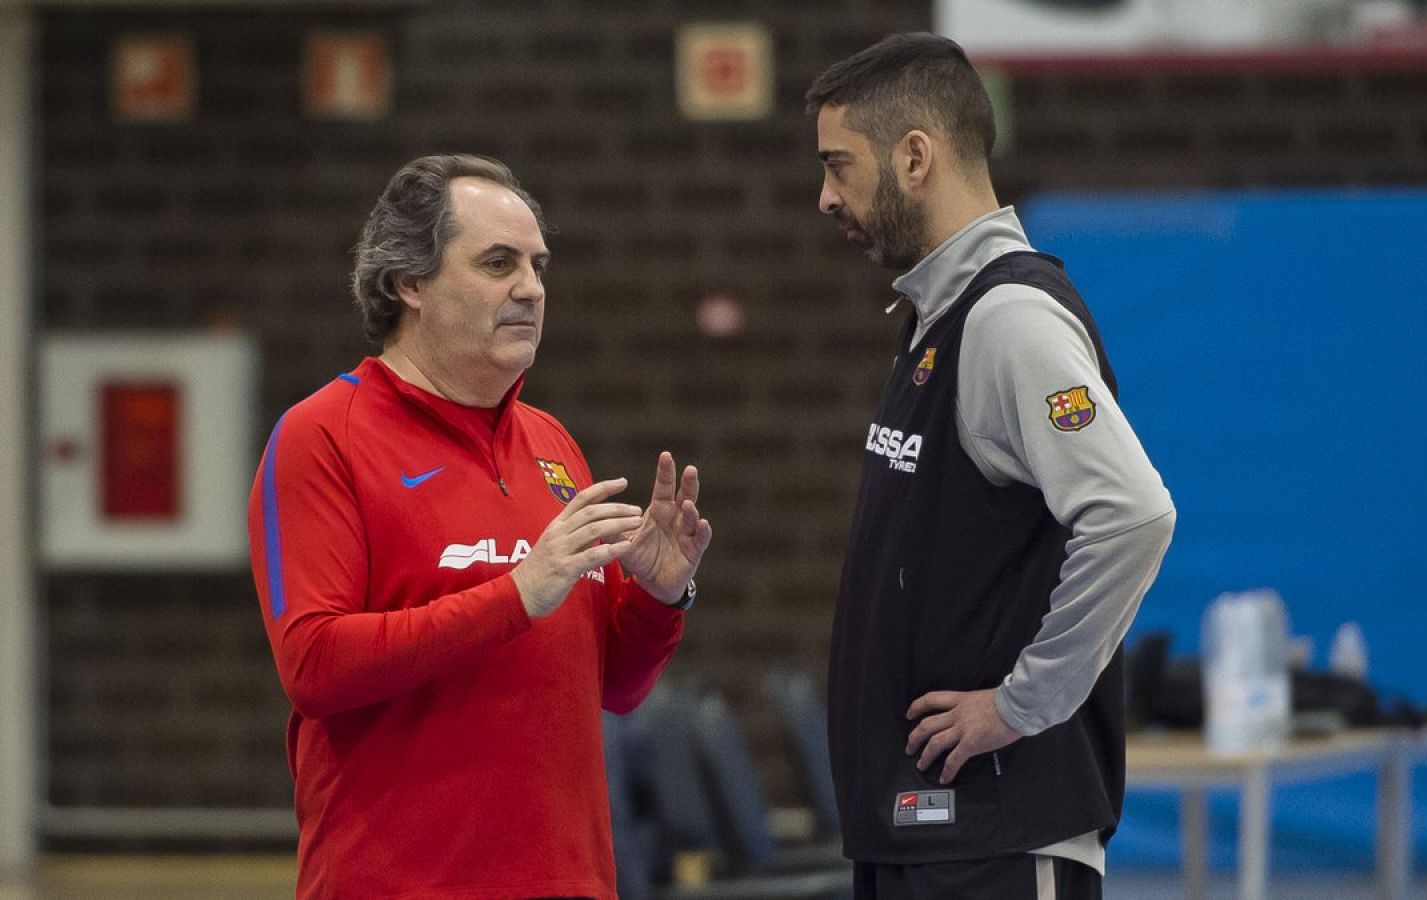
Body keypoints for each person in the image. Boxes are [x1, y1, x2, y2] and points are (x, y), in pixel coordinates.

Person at [247, 154, 711, 899]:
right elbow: (314, 665)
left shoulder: (551, 444)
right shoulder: (321, 436)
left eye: (537, 265)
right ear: (410, 283)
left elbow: (612, 690)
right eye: (498, 264)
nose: (530, 288)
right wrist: (517, 593)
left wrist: (658, 600)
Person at [808, 33, 1176, 899]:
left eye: (838, 166)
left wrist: (1021, 704)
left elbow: (1134, 516)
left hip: (998, 841)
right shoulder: (935, 319)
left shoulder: (1008, 319)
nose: (824, 197)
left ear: (914, 157)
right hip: (930, 837)